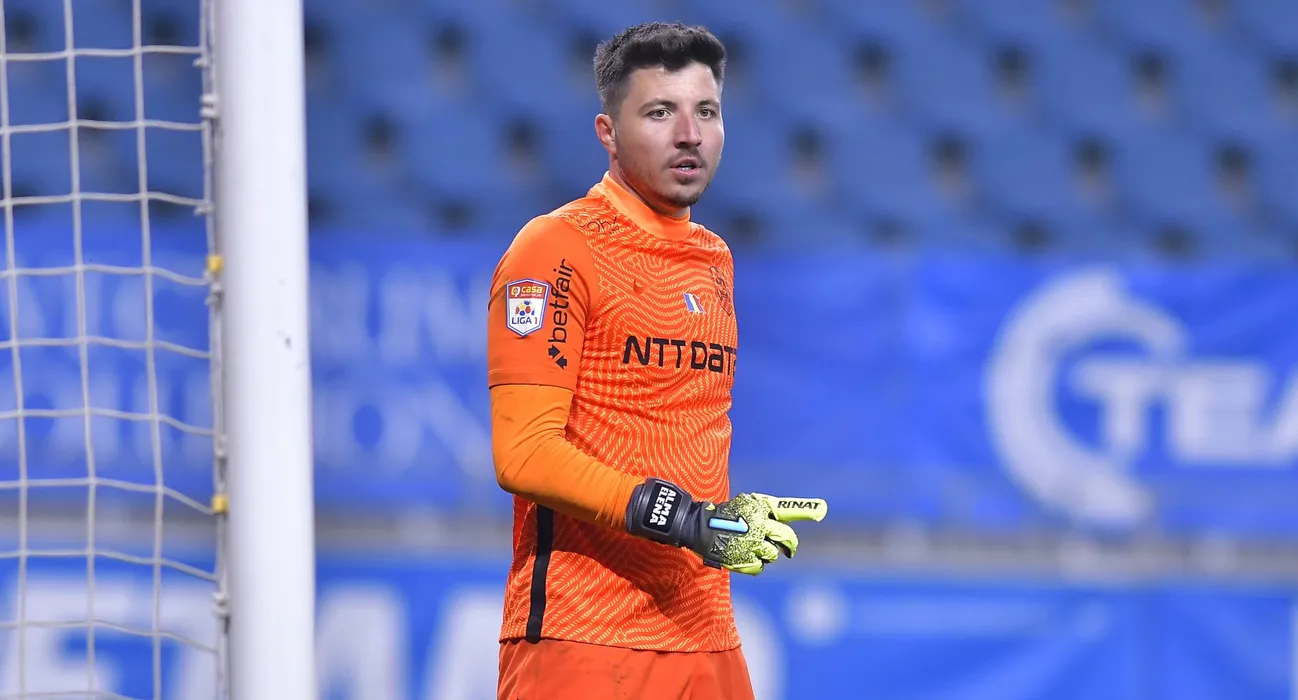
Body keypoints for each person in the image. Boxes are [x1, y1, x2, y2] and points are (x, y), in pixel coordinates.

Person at [486, 21, 827, 700]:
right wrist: (684, 519)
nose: (690, 134)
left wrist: (720, 515)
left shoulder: (714, 259)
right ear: (608, 133)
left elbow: (674, 432)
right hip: (585, 639)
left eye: (707, 112)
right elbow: (523, 454)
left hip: (707, 634)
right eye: (660, 112)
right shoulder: (554, 248)